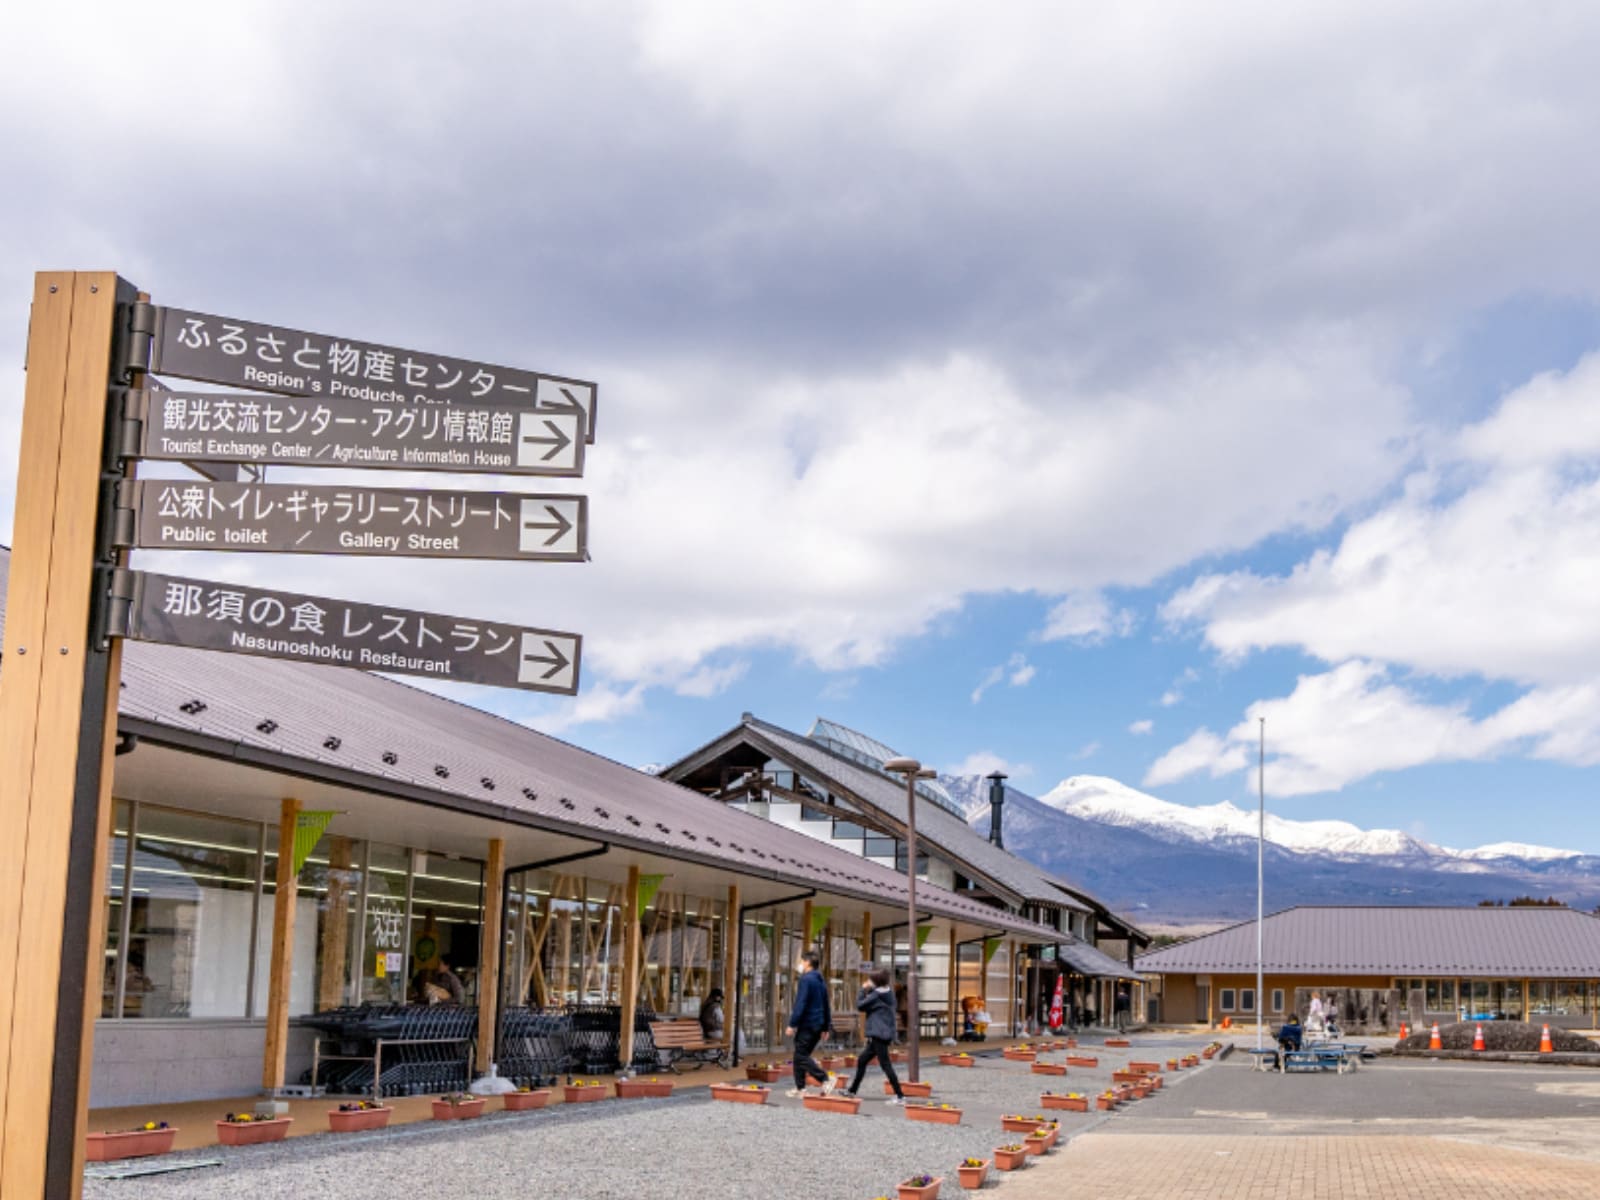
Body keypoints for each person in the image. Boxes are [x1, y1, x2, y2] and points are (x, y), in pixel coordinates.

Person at [845, 967, 906, 1104]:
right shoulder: (888, 993)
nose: (868, 981)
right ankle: (852, 1091)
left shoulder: (876, 996)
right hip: (883, 1033)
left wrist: (862, 989)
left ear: (876, 981)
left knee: (886, 1065)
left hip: (879, 1034)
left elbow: (860, 1006)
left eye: (871, 979)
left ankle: (900, 1096)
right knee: (862, 1060)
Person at [784, 948, 833, 1098]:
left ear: (807, 962)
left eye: (802, 961)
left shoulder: (806, 979)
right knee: (800, 1055)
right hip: (818, 1024)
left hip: (808, 1023)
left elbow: (801, 1003)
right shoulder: (820, 980)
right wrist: (826, 1027)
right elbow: (826, 1004)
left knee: (800, 1056)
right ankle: (800, 1088)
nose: (801, 964)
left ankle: (824, 1079)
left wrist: (792, 1024)